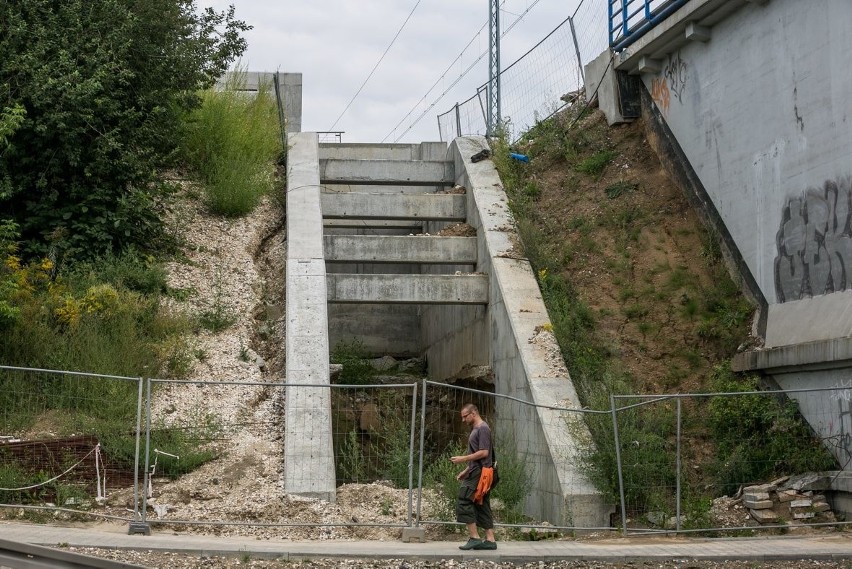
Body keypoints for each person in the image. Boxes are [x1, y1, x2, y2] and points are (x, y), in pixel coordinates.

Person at [450, 403, 497, 550]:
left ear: (473, 413)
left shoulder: (482, 428)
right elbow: (480, 456)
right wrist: (466, 470)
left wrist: (463, 459)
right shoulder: (477, 429)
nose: (463, 420)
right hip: (477, 470)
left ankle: (474, 537)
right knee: (481, 504)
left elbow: (484, 453)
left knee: (464, 500)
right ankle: (490, 540)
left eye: (465, 416)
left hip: (480, 473)